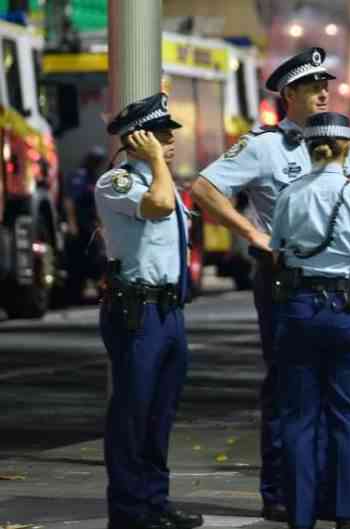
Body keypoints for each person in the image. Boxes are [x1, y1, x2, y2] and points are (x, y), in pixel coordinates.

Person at [192, 47, 350, 521]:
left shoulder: (343, 141)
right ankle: (281, 490)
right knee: (289, 387)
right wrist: (251, 232)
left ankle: (325, 491)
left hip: (339, 283)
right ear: (288, 93)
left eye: (325, 86)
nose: (324, 93)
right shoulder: (265, 147)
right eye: (313, 88)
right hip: (283, 279)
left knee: (336, 393)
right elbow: (205, 188)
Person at [270, 112, 350, 529]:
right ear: (348, 148)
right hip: (348, 309)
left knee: (299, 418)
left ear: (308, 148)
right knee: (348, 418)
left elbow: (277, 252)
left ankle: (300, 515)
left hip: (300, 308)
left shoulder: (289, 195)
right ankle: (347, 513)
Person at [95, 93, 203, 529]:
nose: (170, 139)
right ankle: (128, 509)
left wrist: (158, 163)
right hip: (136, 312)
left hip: (168, 312)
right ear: (137, 139)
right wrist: (157, 160)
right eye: (160, 133)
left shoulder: (162, 181)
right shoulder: (118, 182)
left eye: (169, 132)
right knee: (132, 414)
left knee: (160, 414)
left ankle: (155, 501)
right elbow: (156, 205)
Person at [63, 146, 107, 303]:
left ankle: (95, 287)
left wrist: (101, 225)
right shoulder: (79, 177)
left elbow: (96, 205)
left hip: (90, 223)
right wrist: (72, 223)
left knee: (95, 255)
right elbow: (70, 201)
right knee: (80, 257)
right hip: (79, 223)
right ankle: (75, 291)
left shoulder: (93, 177)